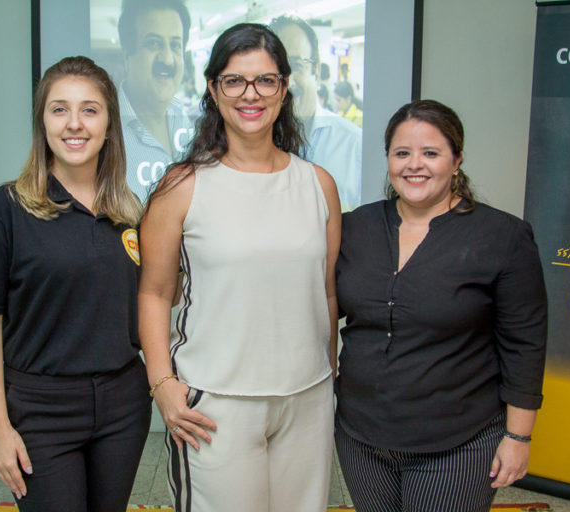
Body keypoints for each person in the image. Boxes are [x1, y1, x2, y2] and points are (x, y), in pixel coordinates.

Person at [138, 23, 341, 512]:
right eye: (234, 80)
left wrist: (330, 377)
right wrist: (163, 386)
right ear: (213, 89)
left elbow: (327, 292)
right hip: (215, 404)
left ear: (284, 88)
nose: (251, 94)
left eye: (265, 80)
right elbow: (154, 293)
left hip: (307, 399)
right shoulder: (182, 186)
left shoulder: (318, 184)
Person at [0, 56, 151, 512]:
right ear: (43, 123)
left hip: (123, 405)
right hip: (41, 411)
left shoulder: (130, 211)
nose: (75, 123)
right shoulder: (5, 209)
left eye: (90, 110)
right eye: (60, 109)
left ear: (110, 125)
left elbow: (147, 301)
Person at [334, 99, 547, 512]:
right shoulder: (356, 226)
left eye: (430, 153)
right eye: (402, 153)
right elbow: (321, 309)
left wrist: (518, 437)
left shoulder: (503, 236)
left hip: (457, 442)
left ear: (457, 160)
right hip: (360, 437)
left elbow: (525, 345)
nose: (415, 165)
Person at [269, 15, 362, 211]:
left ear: (317, 72)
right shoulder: (253, 144)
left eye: (296, 66)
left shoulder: (353, 145)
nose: (287, 82)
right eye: (274, 69)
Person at [117, 0, 194, 200]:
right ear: (127, 56)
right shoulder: (104, 132)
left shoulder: (185, 120)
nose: (167, 59)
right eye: (153, 44)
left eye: (175, 45)